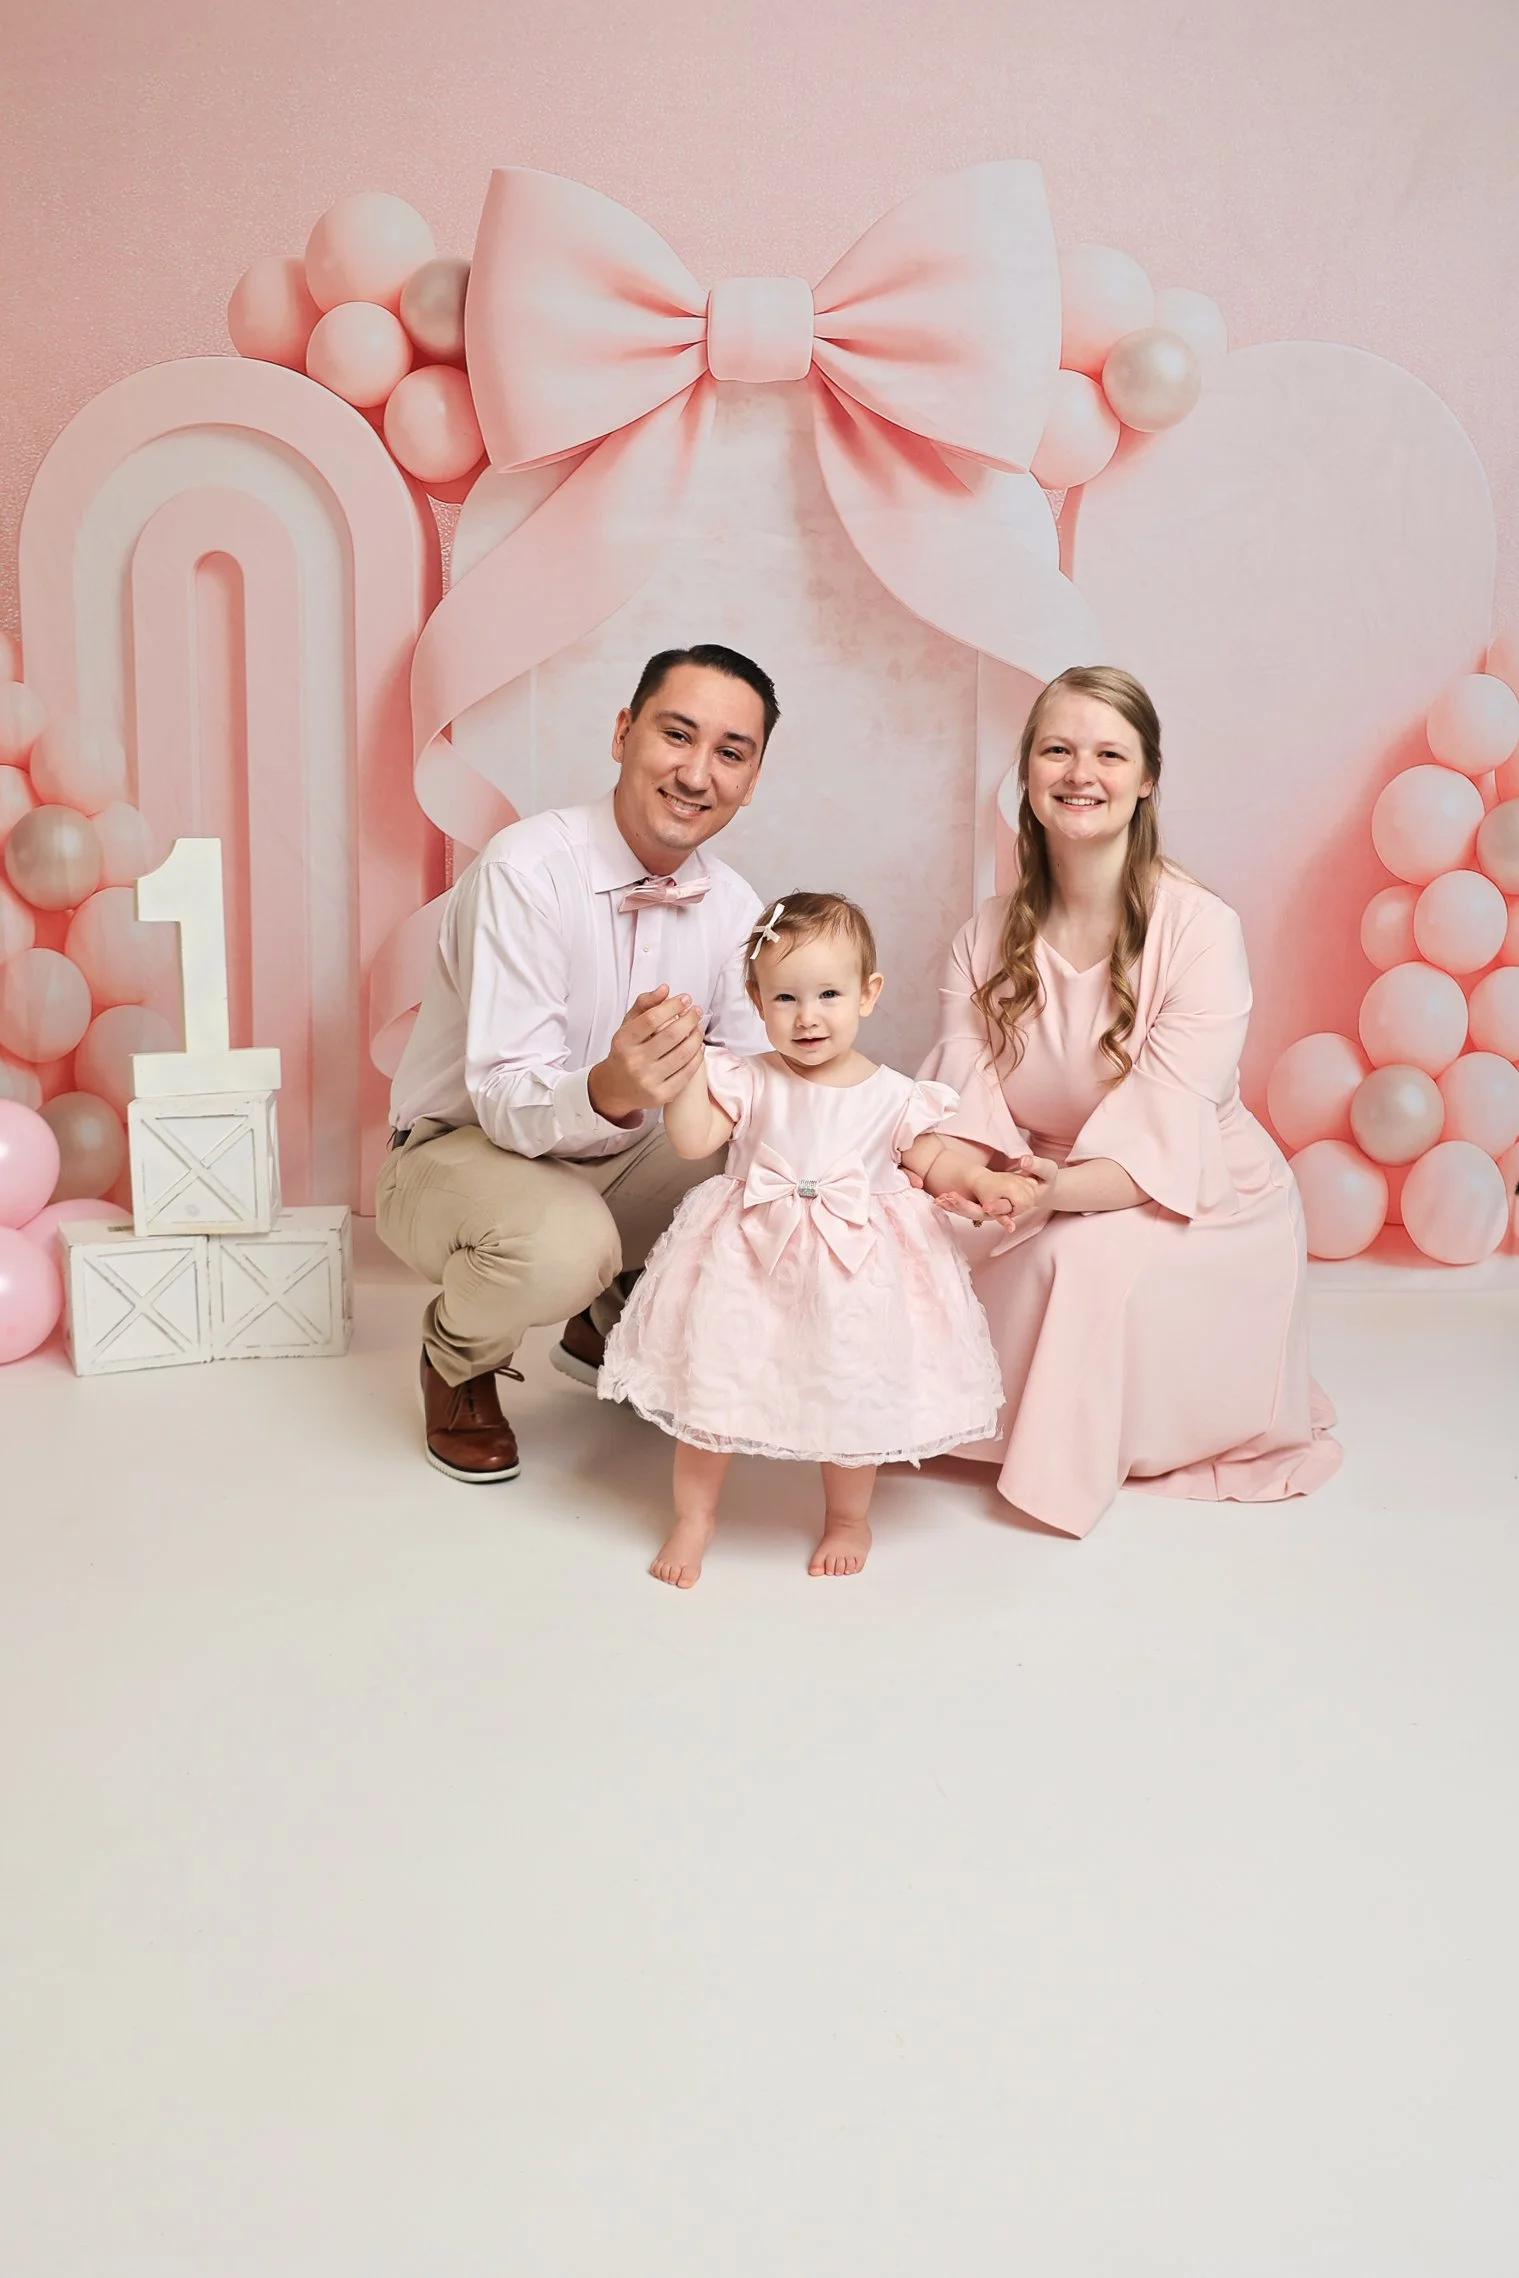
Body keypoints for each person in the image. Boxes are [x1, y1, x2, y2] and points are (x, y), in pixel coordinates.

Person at [919, 663, 1342, 1539]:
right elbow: (963, 1098)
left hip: (1186, 1185)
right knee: (901, 1232)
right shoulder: (981, 937)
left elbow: (1165, 1117)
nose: (1082, 774)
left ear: (1146, 778)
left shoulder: (1199, 930)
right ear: (1026, 775)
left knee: (1071, 1263)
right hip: (1025, 1166)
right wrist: (972, 1180)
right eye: (1057, 750)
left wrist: (1047, 1194)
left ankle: (1059, 1464)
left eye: (1109, 753)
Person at [376, 643, 779, 1483]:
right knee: (563, 1246)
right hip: (458, 1151)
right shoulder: (526, 870)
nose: (697, 773)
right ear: (623, 732)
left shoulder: (737, 907)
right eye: (676, 734)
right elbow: (503, 1100)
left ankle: (609, 1319)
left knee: (768, 1161)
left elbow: (749, 1083)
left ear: (752, 778)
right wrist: (610, 1087)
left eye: (730, 753)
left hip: (615, 1159)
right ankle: (456, 1361)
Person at [599, 892, 1021, 1587]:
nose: (807, 1015)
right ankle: (694, 1516)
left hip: (852, 1269)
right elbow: (692, 1138)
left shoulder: (894, 1095)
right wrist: (681, 1073)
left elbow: (932, 1160)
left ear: (867, 994)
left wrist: (980, 1179)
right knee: (716, 1385)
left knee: (848, 1389)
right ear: (756, 1002)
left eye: (828, 993)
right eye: (785, 997)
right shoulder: (746, 1077)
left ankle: (849, 1518)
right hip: (747, 1260)